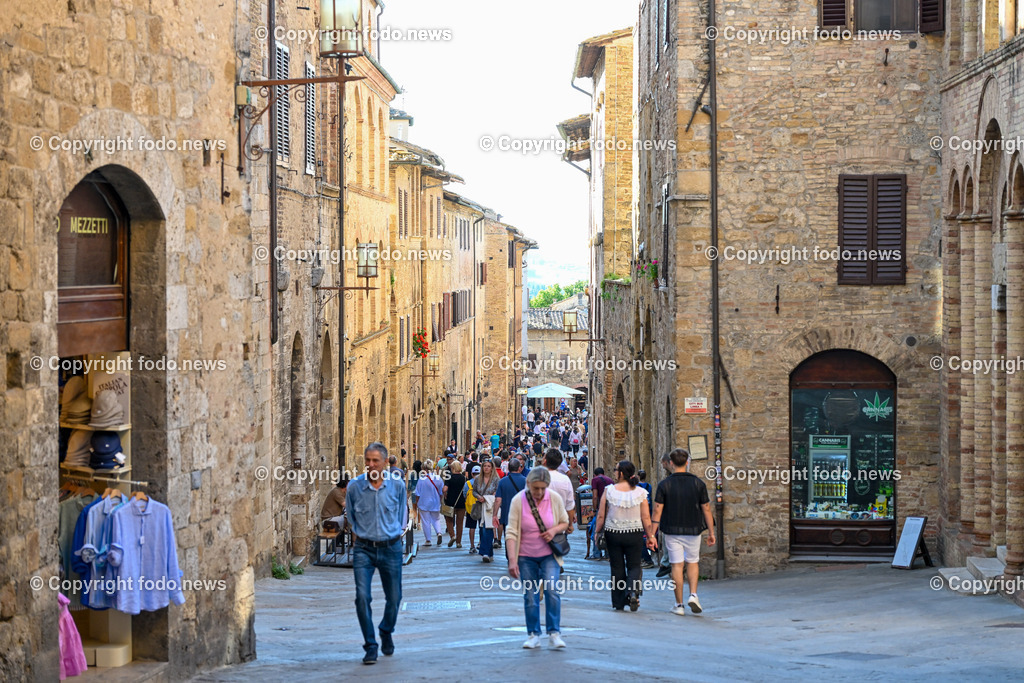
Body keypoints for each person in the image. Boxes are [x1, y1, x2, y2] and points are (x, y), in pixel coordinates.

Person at [346, 443, 408, 664]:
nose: (371, 464)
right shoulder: (355, 487)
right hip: (364, 548)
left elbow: (402, 513)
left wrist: (394, 534)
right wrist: (362, 533)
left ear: (384, 463)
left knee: (395, 597)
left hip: (391, 547)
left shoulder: (397, 486)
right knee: (362, 597)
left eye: (375, 461)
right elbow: (351, 516)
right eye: (367, 460)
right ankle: (370, 645)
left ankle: (386, 629)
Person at [505, 467, 569, 650]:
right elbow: (511, 531)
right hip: (526, 556)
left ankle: (554, 632)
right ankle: (533, 634)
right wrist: (512, 560)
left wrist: (554, 530)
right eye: (536, 489)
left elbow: (565, 522)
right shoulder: (518, 501)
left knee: (551, 590)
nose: (539, 493)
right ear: (529, 485)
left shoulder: (554, 499)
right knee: (531, 596)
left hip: (549, 555)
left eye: (543, 488)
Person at [653, 448, 716, 616]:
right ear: (687, 462)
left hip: (672, 530)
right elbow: (706, 509)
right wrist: (711, 532)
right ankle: (693, 595)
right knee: (693, 562)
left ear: (671, 463)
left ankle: (679, 604)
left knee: (676, 565)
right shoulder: (698, 484)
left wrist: (652, 533)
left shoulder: (664, 485)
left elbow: (657, 510)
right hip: (693, 528)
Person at [594, 461, 657, 612]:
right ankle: (633, 592)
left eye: (615, 470)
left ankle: (619, 601)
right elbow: (646, 518)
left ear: (621, 473)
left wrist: (596, 532)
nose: (614, 472)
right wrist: (650, 536)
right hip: (634, 532)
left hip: (613, 533)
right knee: (634, 564)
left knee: (617, 567)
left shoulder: (609, 491)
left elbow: (601, 515)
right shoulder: (640, 493)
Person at [471, 460, 500, 563]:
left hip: (491, 506)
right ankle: (489, 553)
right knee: (482, 529)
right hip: (481, 506)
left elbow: (499, 491)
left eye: (489, 466)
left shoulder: (496, 480)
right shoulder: (478, 479)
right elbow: (474, 491)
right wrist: (479, 496)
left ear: (492, 468)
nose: (487, 468)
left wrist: (494, 494)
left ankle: (485, 553)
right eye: (485, 466)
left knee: (488, 528)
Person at [543, 449, 575, 532]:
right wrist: (570, 525)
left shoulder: (536, 478)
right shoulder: (565, 480)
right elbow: (570, 505)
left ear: (545, 461)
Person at [414, 460, 444, 547]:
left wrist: (417, 502)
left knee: (426, 521)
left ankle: (428, 540)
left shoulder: (421, 479)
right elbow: (442, 492)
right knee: (436, 519)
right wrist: (439, 500)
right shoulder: (438, 478)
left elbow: (417, 493)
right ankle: (438, 532)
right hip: (435, 502)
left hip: (424, 503)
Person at [588, 467, 614, 560]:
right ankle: (607, 553)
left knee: (597, 529)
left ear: (595, 474)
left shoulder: (595, 480)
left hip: (601, 508)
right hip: (611, 508)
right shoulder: (610, 480)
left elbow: (595, 496)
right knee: (608, 529)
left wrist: (595, 510)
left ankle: (596, 553)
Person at [442, 461, 467, 548]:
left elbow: (445, 489)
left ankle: (452, 536)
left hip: (450, 502)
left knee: (449, 520)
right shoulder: (464, 478)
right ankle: (459, 542)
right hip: (461, 503)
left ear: (453, 468)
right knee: (460, 523)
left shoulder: (449, 478)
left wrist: (444, 493)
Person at [637, 469, 655, 568]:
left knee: (640, 537)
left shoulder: (636, 487)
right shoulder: (649, 486)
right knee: (646, 535)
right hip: (649, 511)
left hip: (640, 513)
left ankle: (646, 559)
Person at [465, 465, 480, 553]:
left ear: (471, 473)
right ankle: (480, 543)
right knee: (481, 526)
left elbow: (464, 494)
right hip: (480, 505)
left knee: (472, 527)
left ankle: (472, 545)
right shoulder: (482, 482)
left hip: (471, 507)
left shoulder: (467, 483)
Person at [566, 458, 584, 526]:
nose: (575, 462)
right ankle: (571, 512)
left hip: (576, 484)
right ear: (571, 462)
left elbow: (582, 475)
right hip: (570, 484)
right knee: (571, 498)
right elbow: (566, 476)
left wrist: (580, 473)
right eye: (574, 461)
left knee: (576, 498)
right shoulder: (568, 468)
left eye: (576, 461)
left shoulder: (578, 467)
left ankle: (575, 512)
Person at [406, 462, 421, 529]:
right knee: (420, 508)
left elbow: (409, 484)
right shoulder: (422, 475)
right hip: (421, 493)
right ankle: (419, 523)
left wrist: (408, 492)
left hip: (414, 492)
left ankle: (414, 520)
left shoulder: (412, 474)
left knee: (414, 508)